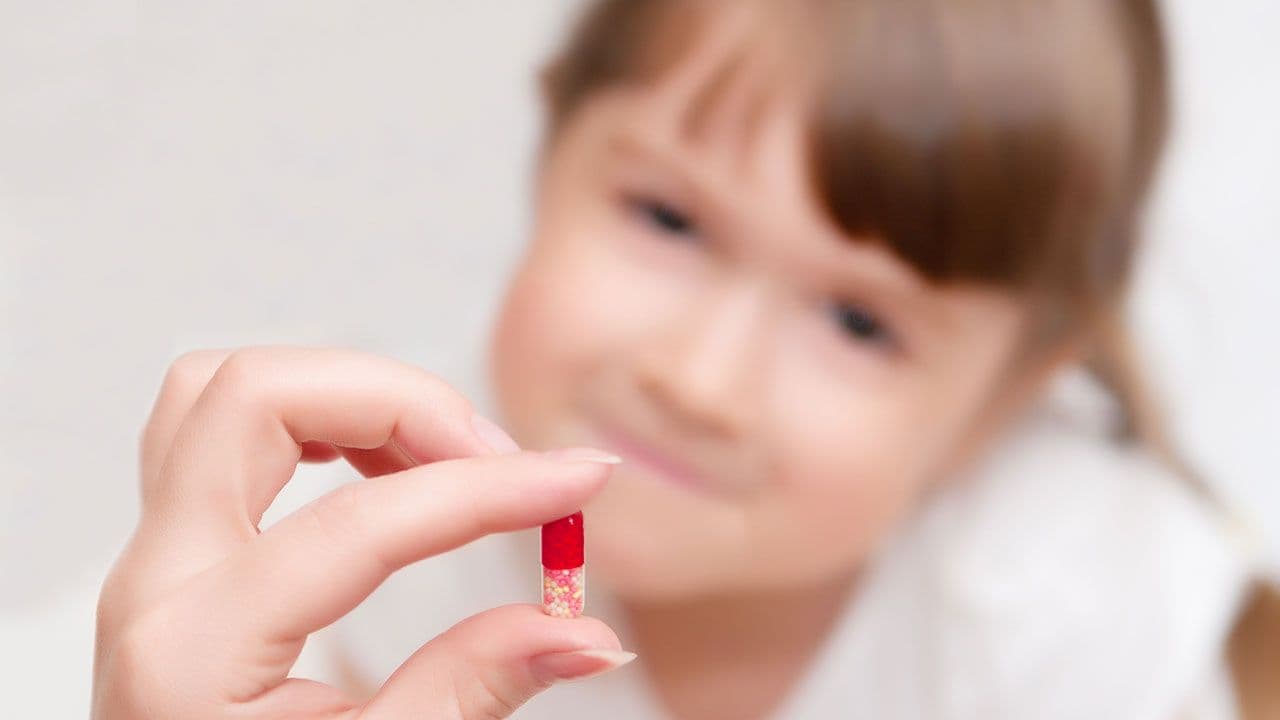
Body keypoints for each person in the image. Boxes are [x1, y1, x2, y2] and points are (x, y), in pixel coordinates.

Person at [92, 1, 1279, 717]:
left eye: (860, 324)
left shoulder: (1062, 613)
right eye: (668, 220)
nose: (698, 380)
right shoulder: (379, 531)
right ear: (551, 143)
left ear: (1004, 399)